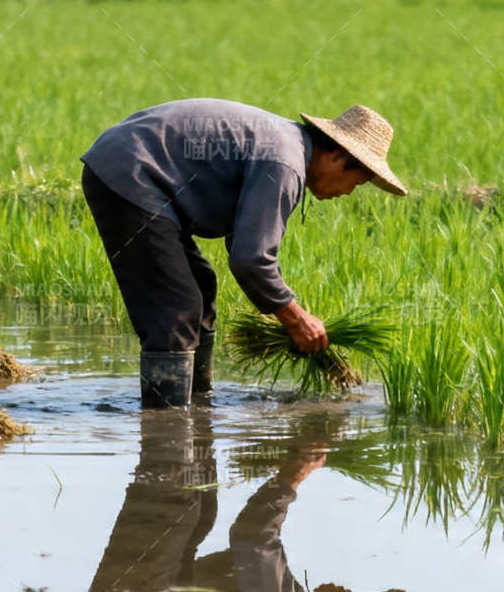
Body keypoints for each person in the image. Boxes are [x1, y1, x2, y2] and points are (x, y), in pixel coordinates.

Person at [80, 99, 408, 408]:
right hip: (131, 173)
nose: (349, 191)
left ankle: (197, 402)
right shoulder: (285, 164)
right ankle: (166, 422)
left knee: (201, 286)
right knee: (176, 306)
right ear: (337, 157)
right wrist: (297, 320)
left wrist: (283, 307)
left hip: (134, 167)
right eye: (357, 181)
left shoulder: (286, 151)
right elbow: (250, 260)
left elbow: (243, 244)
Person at [80, 409, 407, 592]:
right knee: (201, 504)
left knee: (177, 499)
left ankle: (168, 400)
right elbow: (243, 553)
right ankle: (192, 403)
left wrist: (292, 475)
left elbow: (251, 539)